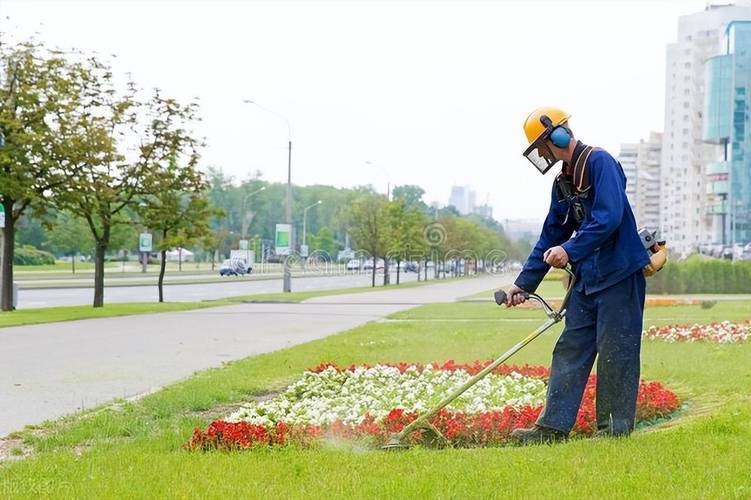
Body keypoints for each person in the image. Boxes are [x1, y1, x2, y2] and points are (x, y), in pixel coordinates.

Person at [506, 107, 650, 444]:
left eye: (542, 145)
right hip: (588, 281)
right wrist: (522, 284)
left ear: (556, 135)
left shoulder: (600, 163)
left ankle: (614, 431)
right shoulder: (563, 181)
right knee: (569, 349)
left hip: (619, 276)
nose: (541, 154)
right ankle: (551, 429)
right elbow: (551, 234)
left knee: (616, 353)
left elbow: (608, 217)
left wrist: (570, 250)